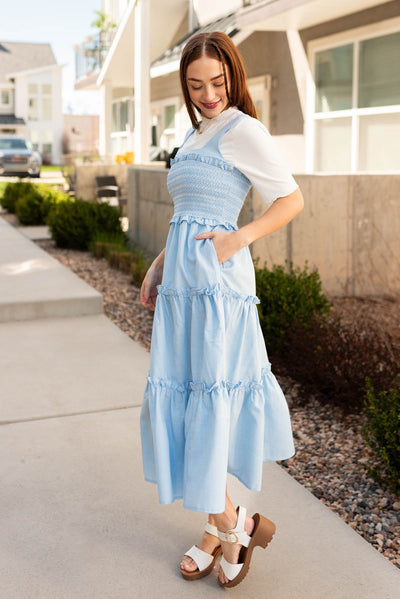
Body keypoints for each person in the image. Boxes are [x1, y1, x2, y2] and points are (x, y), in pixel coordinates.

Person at [140, 31, 304, 588]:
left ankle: (228, 527)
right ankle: (230, 523)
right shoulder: (195, 132)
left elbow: (291, 199)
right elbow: (190, 211)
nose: (209, 94)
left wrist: (239, 239)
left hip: (217, 285)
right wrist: (161, 261)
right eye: (196, 85)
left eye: (218, 81)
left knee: (207, 394)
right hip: (184, 283)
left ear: (234, 74)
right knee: (188, 396)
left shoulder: (244, 129)